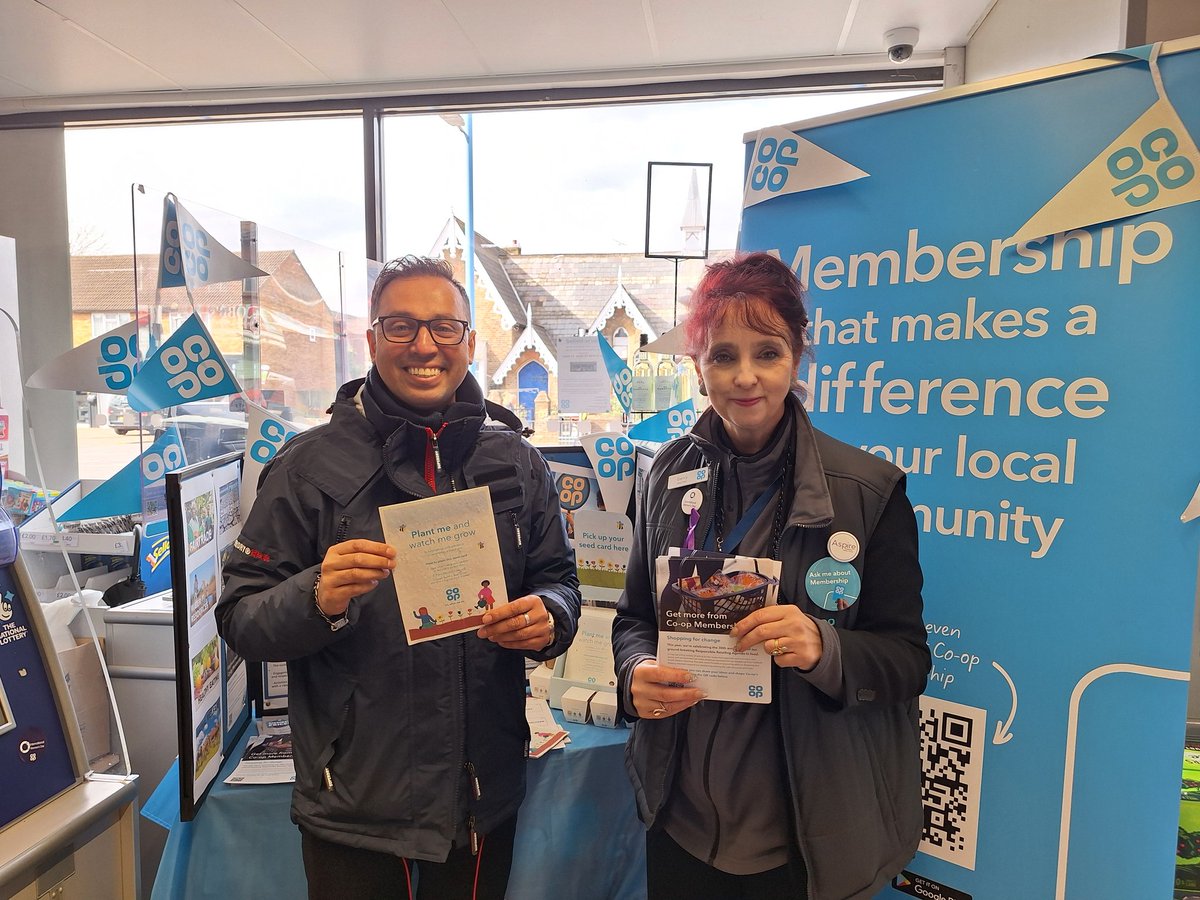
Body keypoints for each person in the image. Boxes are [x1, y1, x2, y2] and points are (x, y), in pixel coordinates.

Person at [217, 255, 581, 900]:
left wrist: (549, 615)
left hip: (478, 792)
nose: (424, 346)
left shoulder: (517, 462)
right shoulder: (308, 468)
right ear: (371, 340)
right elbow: (241, 617)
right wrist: (317, 597)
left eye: (444, 328)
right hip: (355, 802)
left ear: (469, 341)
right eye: (401, 326)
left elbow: (557, 579)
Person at [612, 252, 930, 900]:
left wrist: (824, 648)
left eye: (768, 352)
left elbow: (907, 661)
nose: (745, 376)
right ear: (698, 365)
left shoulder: (866, 493)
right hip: (677, 826)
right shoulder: (665, 476)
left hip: (801, 849)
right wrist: (635, 672)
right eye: (723, 355)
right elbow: (634, 618)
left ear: (797, 356)